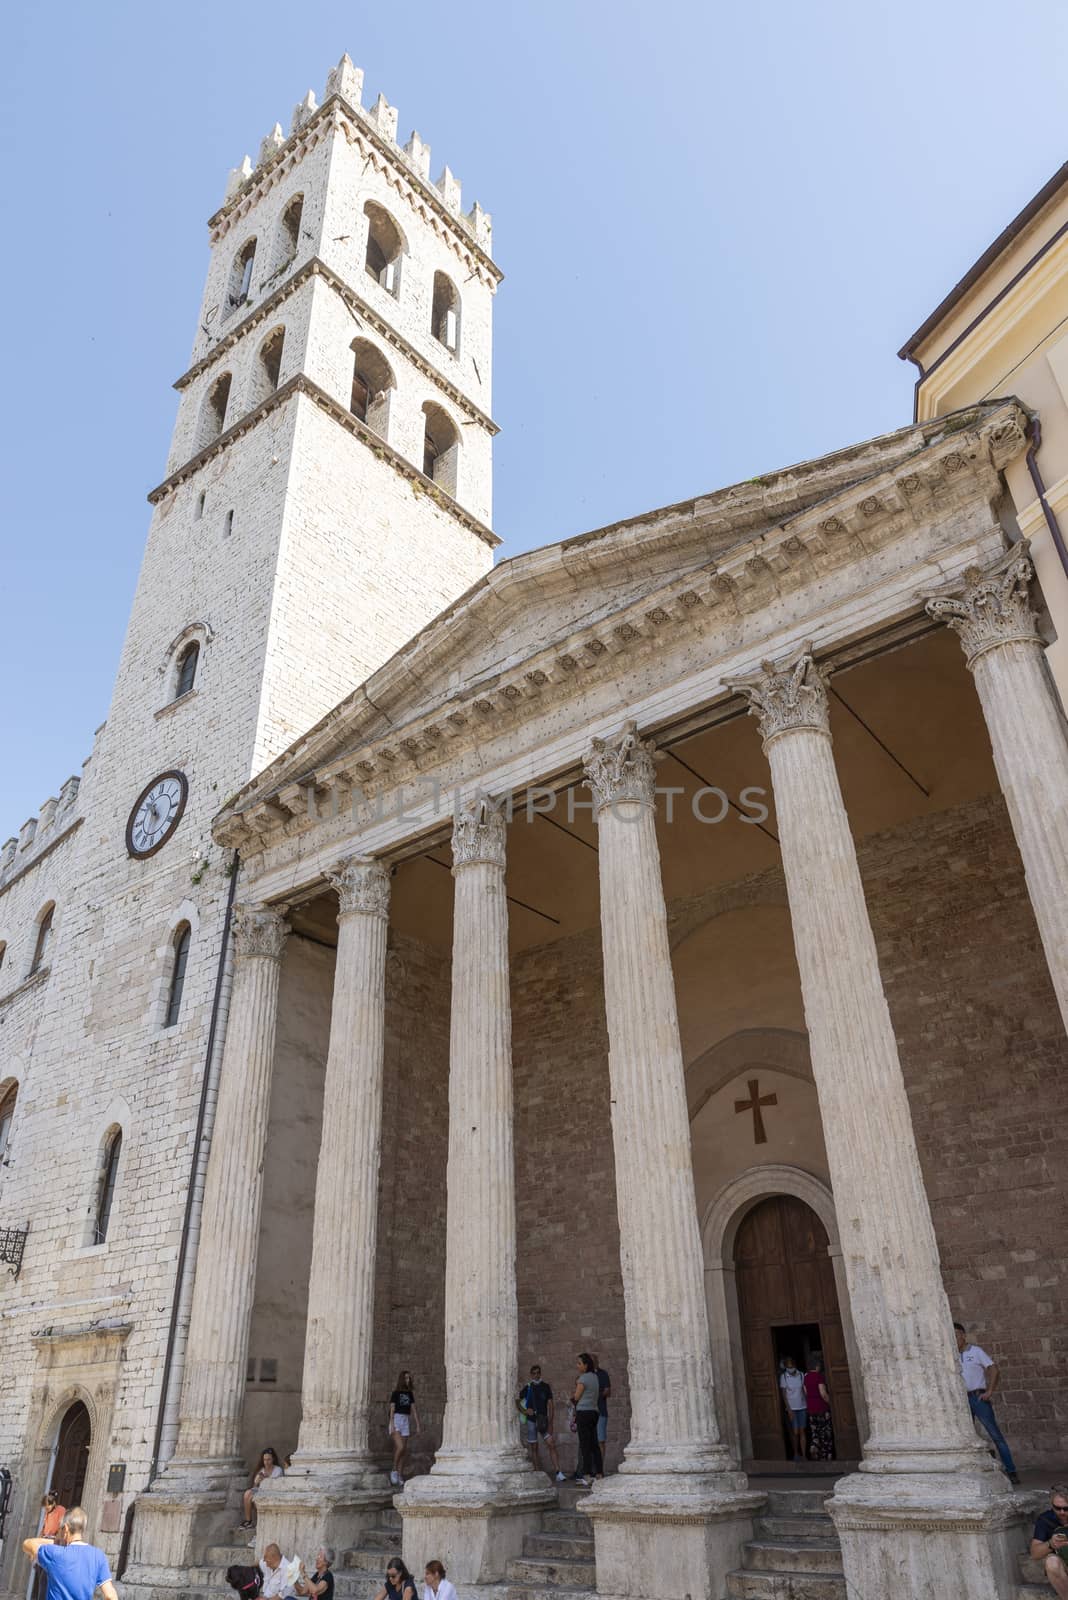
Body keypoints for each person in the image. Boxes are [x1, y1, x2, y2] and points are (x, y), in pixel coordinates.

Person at [954, 1323, 1020, 1484]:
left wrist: (989, 1390)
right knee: (963, 1437)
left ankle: (1011, 1471)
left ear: (963, 1335)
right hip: (961, 1401)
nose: (954, 1338)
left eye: (956, 1334)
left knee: (995, 1435)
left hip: (978, 1397)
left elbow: (993, 1369)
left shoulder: (976, 1352)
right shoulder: (951, 1354)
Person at [22, 1508, 119, 1600]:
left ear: (66, 1528)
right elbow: (110, 1595)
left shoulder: (54, 1553)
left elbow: (27, 1544)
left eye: (61, 1528)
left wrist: (55, 1541)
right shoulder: (98, 1556)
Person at [517, 1363, 565, 1480]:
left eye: (538, 1373)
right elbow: (517, 1401)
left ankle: (558, 1472)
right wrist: (524, 1411)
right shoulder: (528, 1387)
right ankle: (538, 1474)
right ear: (531, 1375)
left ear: (540, 1373)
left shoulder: (546, 1386)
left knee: (551, 1444)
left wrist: (551, 1422)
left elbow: (550, 1405)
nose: (536, 1375)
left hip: (543, 1420)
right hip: (531, 1421)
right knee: (534, 1447)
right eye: (534, 1373)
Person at [1030, 1486, 1068, 1599]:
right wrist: (1051, 1544)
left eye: (1066, 1509)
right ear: (1052, 1505)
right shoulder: (1046, 1520)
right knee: (1051, 1562)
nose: (1062, 1512)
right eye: (1057, 1508)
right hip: (1064, 1564)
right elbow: (1035, 1554)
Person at [572, 1352, 602, 1485]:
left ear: (586, 1365)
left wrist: (572, 1400)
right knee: (594, 1444)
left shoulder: (583, 1379)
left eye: (579, 1363)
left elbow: (576, 1397)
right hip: (594, 1412)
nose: (577, 1366)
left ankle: (587, 1475)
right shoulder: (595, 1377)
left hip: (583, 1413)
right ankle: (599, 1472)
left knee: (585, 1445)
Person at [388, 1370, 420, 1486]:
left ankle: (400, 1475)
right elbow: (392, 1409)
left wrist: (417, 1424)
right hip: (396, 1419)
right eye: (406, 1378)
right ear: (402, 1379)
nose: (408, 1380)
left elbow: (414, 1410)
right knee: (400, 1447)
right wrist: (391, 1424)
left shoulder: (410, 1394)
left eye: (409, 1378)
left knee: (404, 1451)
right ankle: (394, 1470)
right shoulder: (395, 1393)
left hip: (406, 1420)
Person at [241, 1446, 284, 1528]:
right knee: (247, 1494)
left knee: (253, 1496)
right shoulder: (262, 1470)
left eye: (268, 1459)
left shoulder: (278, 1470)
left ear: (273, 1459)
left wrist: (266, 1479)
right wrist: (257, 1481)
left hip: (273, 1491)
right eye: (264, 1460)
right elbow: (255, 1486)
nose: (266, 1462)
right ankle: (248, 1520)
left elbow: (275, 1484)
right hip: (261, 1490)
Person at [803, 1355, 834, 1460]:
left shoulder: (806, 1377)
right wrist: (831, 1403)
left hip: (811, 1408)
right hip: (821, 1408)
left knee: (815, 1431)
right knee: (825, 1432)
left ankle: (814, 1446)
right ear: (817, 1366)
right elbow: (823, 1394)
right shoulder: (819, 1377)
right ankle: (826, 1456)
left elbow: (806, 1392)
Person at [779, 1354, 807, 1462]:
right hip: (792, 1408)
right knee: (795, 1432)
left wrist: (807, 1404)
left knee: (802, 1431)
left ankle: (804, 1455)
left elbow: (804, 1391)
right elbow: (784, 1394)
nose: (790, 1368)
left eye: (792, 1366)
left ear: (795, 1365)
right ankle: (796, 1454)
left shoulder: (801, 1375)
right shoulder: (784, 1376)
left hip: (802, 1406)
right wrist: (789, 1409)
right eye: (788, 1367)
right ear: (786, 1367)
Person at [590, 1353, 611, 1477]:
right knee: (589, 1442)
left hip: (600, 1411)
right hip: (588, 1412)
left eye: (594, 1361)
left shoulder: (602, 1374)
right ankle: (590, 1470)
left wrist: (594, 1395)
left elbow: (608, 1391)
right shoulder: (585, 1375)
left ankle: (600, 1469)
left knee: (600, 1440)